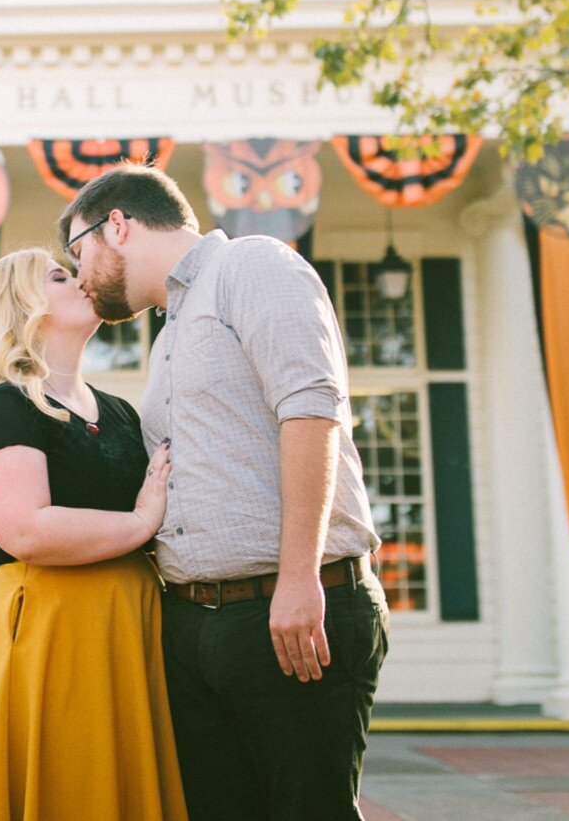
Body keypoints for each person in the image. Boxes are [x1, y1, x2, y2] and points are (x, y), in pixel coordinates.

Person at [61, 164, 389, 821]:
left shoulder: (252, 265)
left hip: (286, 609)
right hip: (193, 628)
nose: (80, 275)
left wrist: (298, 577)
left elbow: (311, 410)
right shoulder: (170, 333)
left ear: (117, 225)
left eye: (78, 251)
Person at [0, 249, 189, 821]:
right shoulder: (5, 406)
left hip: (130, 625)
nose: (81, 280)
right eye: (59, 277)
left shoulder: (121, 412)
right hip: (51, 631)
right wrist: (140, 523)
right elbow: (27, 529)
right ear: (22, 307)